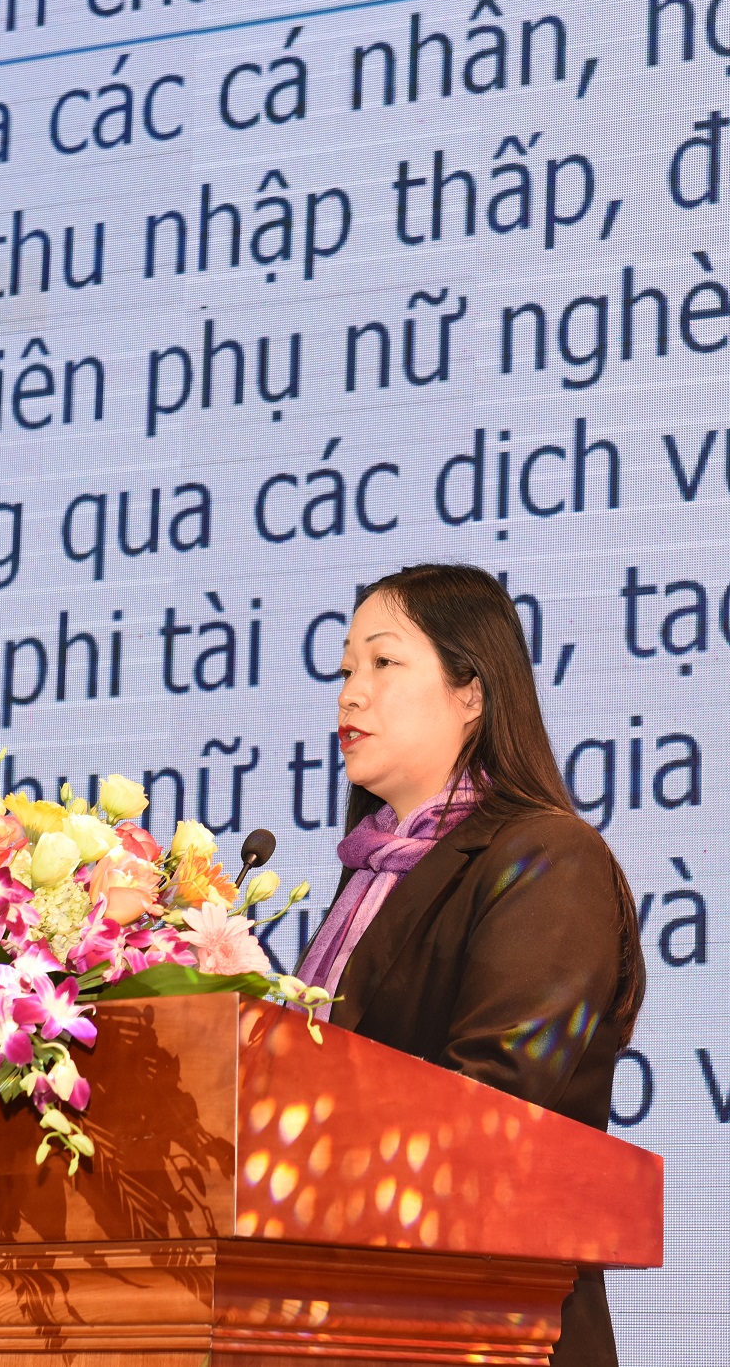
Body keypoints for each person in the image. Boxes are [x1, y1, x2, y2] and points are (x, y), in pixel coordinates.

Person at [299, 563, 647, 1367]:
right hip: (351, 1319)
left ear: (472, 693)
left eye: (383, 662)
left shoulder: (548, 859)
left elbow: (495, 1096)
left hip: (492, 1324)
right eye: (346, 670)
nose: (350, 694)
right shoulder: (368, 878)